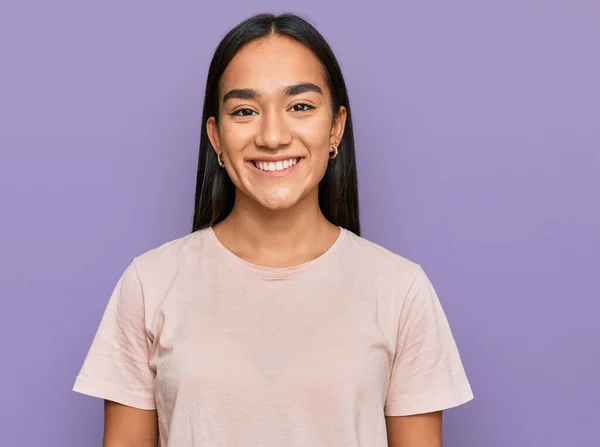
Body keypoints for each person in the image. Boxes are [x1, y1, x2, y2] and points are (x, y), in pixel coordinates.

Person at [73, 12, 474, 447]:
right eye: (245, 110)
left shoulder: (401, 290)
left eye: (300, 106)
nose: (272, 135)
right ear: (216, 137)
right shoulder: (149, 285)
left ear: (336, 127)